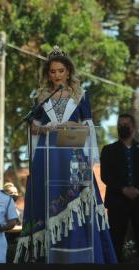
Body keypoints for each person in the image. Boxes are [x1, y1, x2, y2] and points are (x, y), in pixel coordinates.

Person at [14, 46, 116, 263]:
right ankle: (49, 255)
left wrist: (71, 124)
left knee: (77, 198)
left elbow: (88, 127)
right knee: (47, 201)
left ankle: (78, 254)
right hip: (47, 156)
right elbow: (34, 127)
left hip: (73, 155)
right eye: (52, 71)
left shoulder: (81, 95)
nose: (57, 75)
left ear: (68, 71)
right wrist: (44, 127)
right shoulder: (41, 96)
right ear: (47, 74)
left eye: (60, 71)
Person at [100, 113, 139, 262]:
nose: (122, 127)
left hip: (138, 201)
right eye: (119, 125)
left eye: (125, 125)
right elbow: (105, 176)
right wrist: (123, 189)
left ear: (133, 127)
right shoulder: (108, 150)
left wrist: (137, 190)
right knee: (115, 242)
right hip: (117, 202)